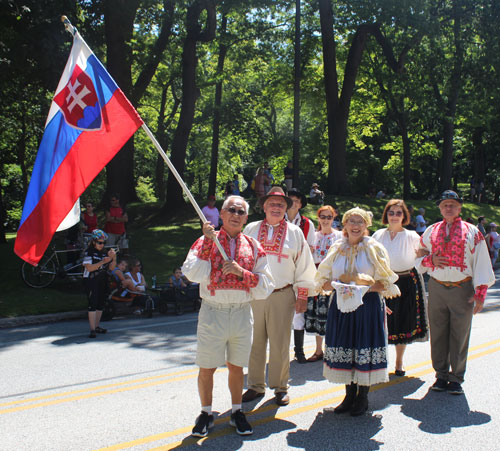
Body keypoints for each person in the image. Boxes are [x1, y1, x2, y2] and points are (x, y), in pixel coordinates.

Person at [182, 195, 274, 437]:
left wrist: (242, 272)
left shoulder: (254, 245)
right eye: (231, 210)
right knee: (207, 366)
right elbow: (192, 273)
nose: (235, 214)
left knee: (236, 366)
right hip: (213, 311)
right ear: (221, 215)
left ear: (246, 218)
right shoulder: (204, 240)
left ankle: (236, 411)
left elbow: (266, 285)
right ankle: (205, 413)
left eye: (241, 211)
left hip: (242, 313)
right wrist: (208, 244)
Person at [316, 207, 400, 416]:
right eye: (351, 221)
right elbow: (323, 280)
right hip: (342, 305)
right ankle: (349, 395)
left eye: (359, 222)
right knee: (346, 344)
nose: (355, 226)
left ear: (366, 226)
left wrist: (362, 287)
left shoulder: (374, 248)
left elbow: (385, 282)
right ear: (344, 225)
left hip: (367, 305)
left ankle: (362, 397)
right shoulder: (337, 247)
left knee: (364, 345)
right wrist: (333, 285)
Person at [242, 187, 316, 406]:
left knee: (280, 343)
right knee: (254, 342)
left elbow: (304, 267)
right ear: (264, 207)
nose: (276, 208)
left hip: (283, 293)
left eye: (281, 205)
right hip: (255, 293)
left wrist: (302, 295)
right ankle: (255, 385)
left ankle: (281, 387)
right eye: (272, 204)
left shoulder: (295, 233)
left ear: (287, 208)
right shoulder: (251, 229)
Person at [416, 190, 495, 395]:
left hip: (463, 287)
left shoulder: (473, 232)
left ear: (459, 208)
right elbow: (418, 258)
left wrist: (480, 293)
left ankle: (457, 377)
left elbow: (482, 263)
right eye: (444, 205)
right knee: (438, 332)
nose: (448, 208)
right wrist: (429, 261)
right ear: (440, 208)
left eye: (452, 204)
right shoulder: (430, 231)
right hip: (437, 286)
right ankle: (441, 375)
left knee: (460, 333)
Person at [372, 199, 429, 376]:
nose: (395, 216)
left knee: (403, 321)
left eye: (398, 213)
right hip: (383, 282)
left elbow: (423, 259)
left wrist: (420, 261)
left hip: (406, 281)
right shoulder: (378, 235)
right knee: (380, 321)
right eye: (391, 213)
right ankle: (378, 361)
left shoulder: (412, 236)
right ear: (386, 215)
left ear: (404, 216)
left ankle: (399, 361)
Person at [305, 205, 342, 362]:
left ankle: (332, 349)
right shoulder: (313, 236)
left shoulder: (340, 236)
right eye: (323, 217)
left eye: (329, 217)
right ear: (318, 218)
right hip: (316, 277)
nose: (326, 220)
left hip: (333, 278)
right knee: (317, 314)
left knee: (333, 315)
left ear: (333, 219)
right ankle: (318, 350)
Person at [286, 188, 316, 363]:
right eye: (291, 199)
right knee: (278, 313)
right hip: (280, 273)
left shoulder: (307, 224)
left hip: (300, 273)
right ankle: (279, 350)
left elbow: (311, 248)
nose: (294, 203)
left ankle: (299, 350)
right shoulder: (276, 220)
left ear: (301, 204)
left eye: (297, 200)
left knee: (299, 312)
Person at [83, 229, 116, 338]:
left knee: (100, 303)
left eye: (103, 243)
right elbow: (89, 268)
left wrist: (113, 258)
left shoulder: (104, 252)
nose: (102, 245)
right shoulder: (89, 252)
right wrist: (102, 262)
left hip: (103, 279)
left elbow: (111, 268)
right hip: (91, 280)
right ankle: (92, 329)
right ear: (93, 242)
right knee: (92, 303)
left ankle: (97, 326)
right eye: (99, 242)